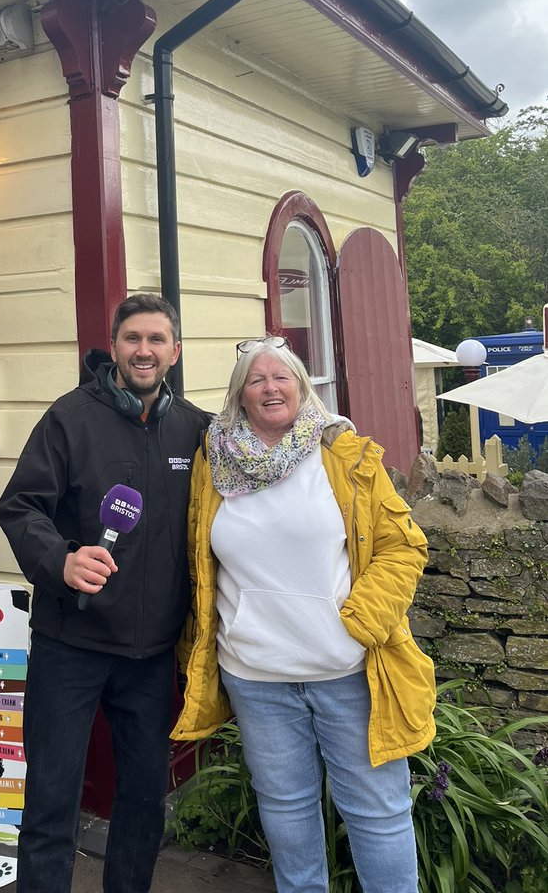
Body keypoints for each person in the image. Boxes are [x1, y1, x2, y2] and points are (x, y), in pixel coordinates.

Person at [172, 337, 435, 893]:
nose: (270, 387)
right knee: (287, 812)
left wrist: (360, 622)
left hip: (347, 672)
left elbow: (404, 545)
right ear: (239, 395)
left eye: (282, 377)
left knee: (377, 814)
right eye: (256, 379)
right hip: (256, 678)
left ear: (301, 387)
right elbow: (198, 558)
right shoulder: (211, 464)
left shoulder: (344, 455)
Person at [0, 294, 210, 893]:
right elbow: (20, 506)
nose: (144, 350)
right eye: (133, 339)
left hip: (151, 655)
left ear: (175, 350)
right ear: (113, 346)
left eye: (157, 340)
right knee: (51, 800)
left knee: (143, 802)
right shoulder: (69, 418)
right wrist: (60, 560)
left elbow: (259, 461)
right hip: (72, 643)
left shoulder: (195, 429)